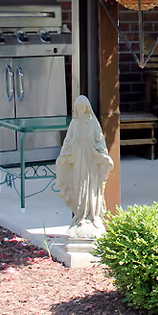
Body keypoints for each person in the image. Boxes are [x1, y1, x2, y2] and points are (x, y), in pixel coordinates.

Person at [56, 95, 114, 240]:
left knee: (92, 190)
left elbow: (100, 142)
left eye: (83, 108)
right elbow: (68, 142)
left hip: (91, 163)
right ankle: (80, 216)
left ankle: (93, 216)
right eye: (78, 108)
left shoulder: (93, 124)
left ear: (87, 108)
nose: (81, 111)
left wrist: (103, 155)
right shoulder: (74, 124)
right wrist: (63, 156)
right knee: (79, 189)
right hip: (77, 163)